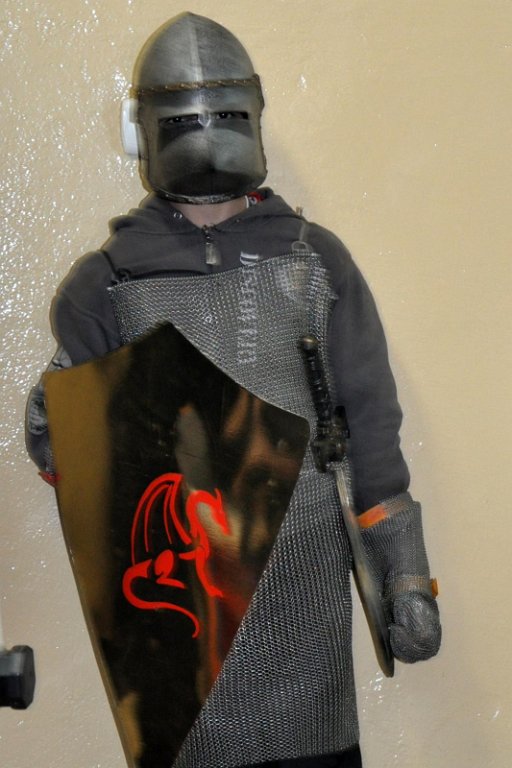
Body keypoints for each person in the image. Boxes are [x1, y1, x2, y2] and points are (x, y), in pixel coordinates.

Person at [26, 12, 441, 768]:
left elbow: (370, 425)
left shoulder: (315, 260)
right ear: (148, 129)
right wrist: (56, 420)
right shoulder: (109, 283)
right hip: (182, 605)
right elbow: (76, 461)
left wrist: (405, 574)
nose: (208, 133)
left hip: (305, 586)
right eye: (188, 117)